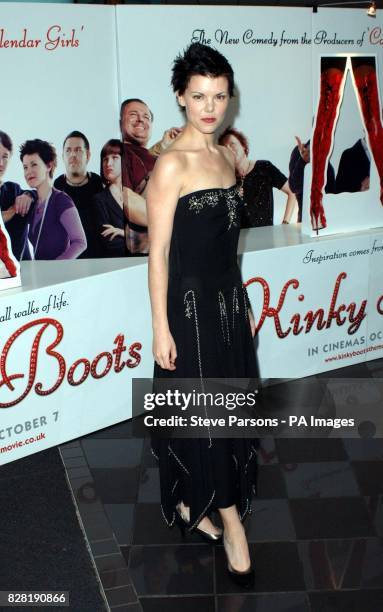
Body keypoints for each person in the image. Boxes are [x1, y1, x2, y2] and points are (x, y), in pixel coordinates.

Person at [147, 43, 257, 588]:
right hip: (188, 314)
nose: (209, 106)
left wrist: (241, 305)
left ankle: (197, 502)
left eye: (218, 95)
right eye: (198, 96)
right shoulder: (172, 164)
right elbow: (159, 253)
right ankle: (232, 524)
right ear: (180, 98)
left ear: (228, 97)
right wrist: (160, 327)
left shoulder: (227, 157)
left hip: (228, 305)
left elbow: (226, 245)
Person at [120, 98, 182, 255]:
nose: (141, 119)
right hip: (149, 251)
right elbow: (125, 199)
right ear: (121, 122)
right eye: (133, 114)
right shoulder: (120, 153)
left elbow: (150, 160)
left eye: (147, 117)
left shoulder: (146, 154)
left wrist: (164, 146)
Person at [20, 139, 87, 260]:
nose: (28, 171)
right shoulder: (32, 203)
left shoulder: (61, 201)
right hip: (40, 274)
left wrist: (56, 266)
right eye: (25, 167)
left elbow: (80, 242)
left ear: (49, 165)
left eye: (34, 164)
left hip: (59, 275)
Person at [219, 127, 296, 226]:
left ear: (243, 146)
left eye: (232, 144)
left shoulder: (264, 167)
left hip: (266, 238)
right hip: (239, 239)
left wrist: (285, 224)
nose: (229, 149)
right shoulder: (224, 180)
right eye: (225, 148)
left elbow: (292, 191)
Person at [54, 131, 103, 258]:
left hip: (99, 261)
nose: (73, 155)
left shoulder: (99, 184)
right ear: (63, 156)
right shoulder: (57, 187)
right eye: (68, 150)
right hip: (68, 262)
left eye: (78, 150)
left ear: (88, 155)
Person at [0, 130, 34, 261]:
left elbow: (40, 199)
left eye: (5, 156)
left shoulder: (13, 189)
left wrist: (29, 195)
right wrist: (11, 212)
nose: (1, 163)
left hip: (23, 270)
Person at [289, 136, 336, 223]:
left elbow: (332, 193)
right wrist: (302, 161)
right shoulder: (300, 150)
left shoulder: (324, 152)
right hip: (305, 222)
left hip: (326, 221)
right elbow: (294, 187)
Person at [93, 139, 126, 257]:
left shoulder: (139, 193)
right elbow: (111, 245)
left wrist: (123, 233)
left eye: (115, 157)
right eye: (105, 159)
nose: (108, 163)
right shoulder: (100, 200)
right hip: (120, 267)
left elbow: (156, 233)